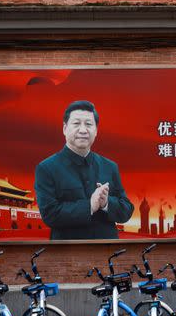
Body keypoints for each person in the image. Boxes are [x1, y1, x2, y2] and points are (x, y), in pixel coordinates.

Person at [35, 100, 134, 240]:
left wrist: (106, 203)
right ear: (64, 128)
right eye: (76, 124)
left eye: (88, 124)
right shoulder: (46, 168)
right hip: (67, 256)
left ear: (96, 131)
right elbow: (50, 214)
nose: (83, 130)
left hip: (108, 254)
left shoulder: (110, 166)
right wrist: (90, 206)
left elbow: (126, 211)